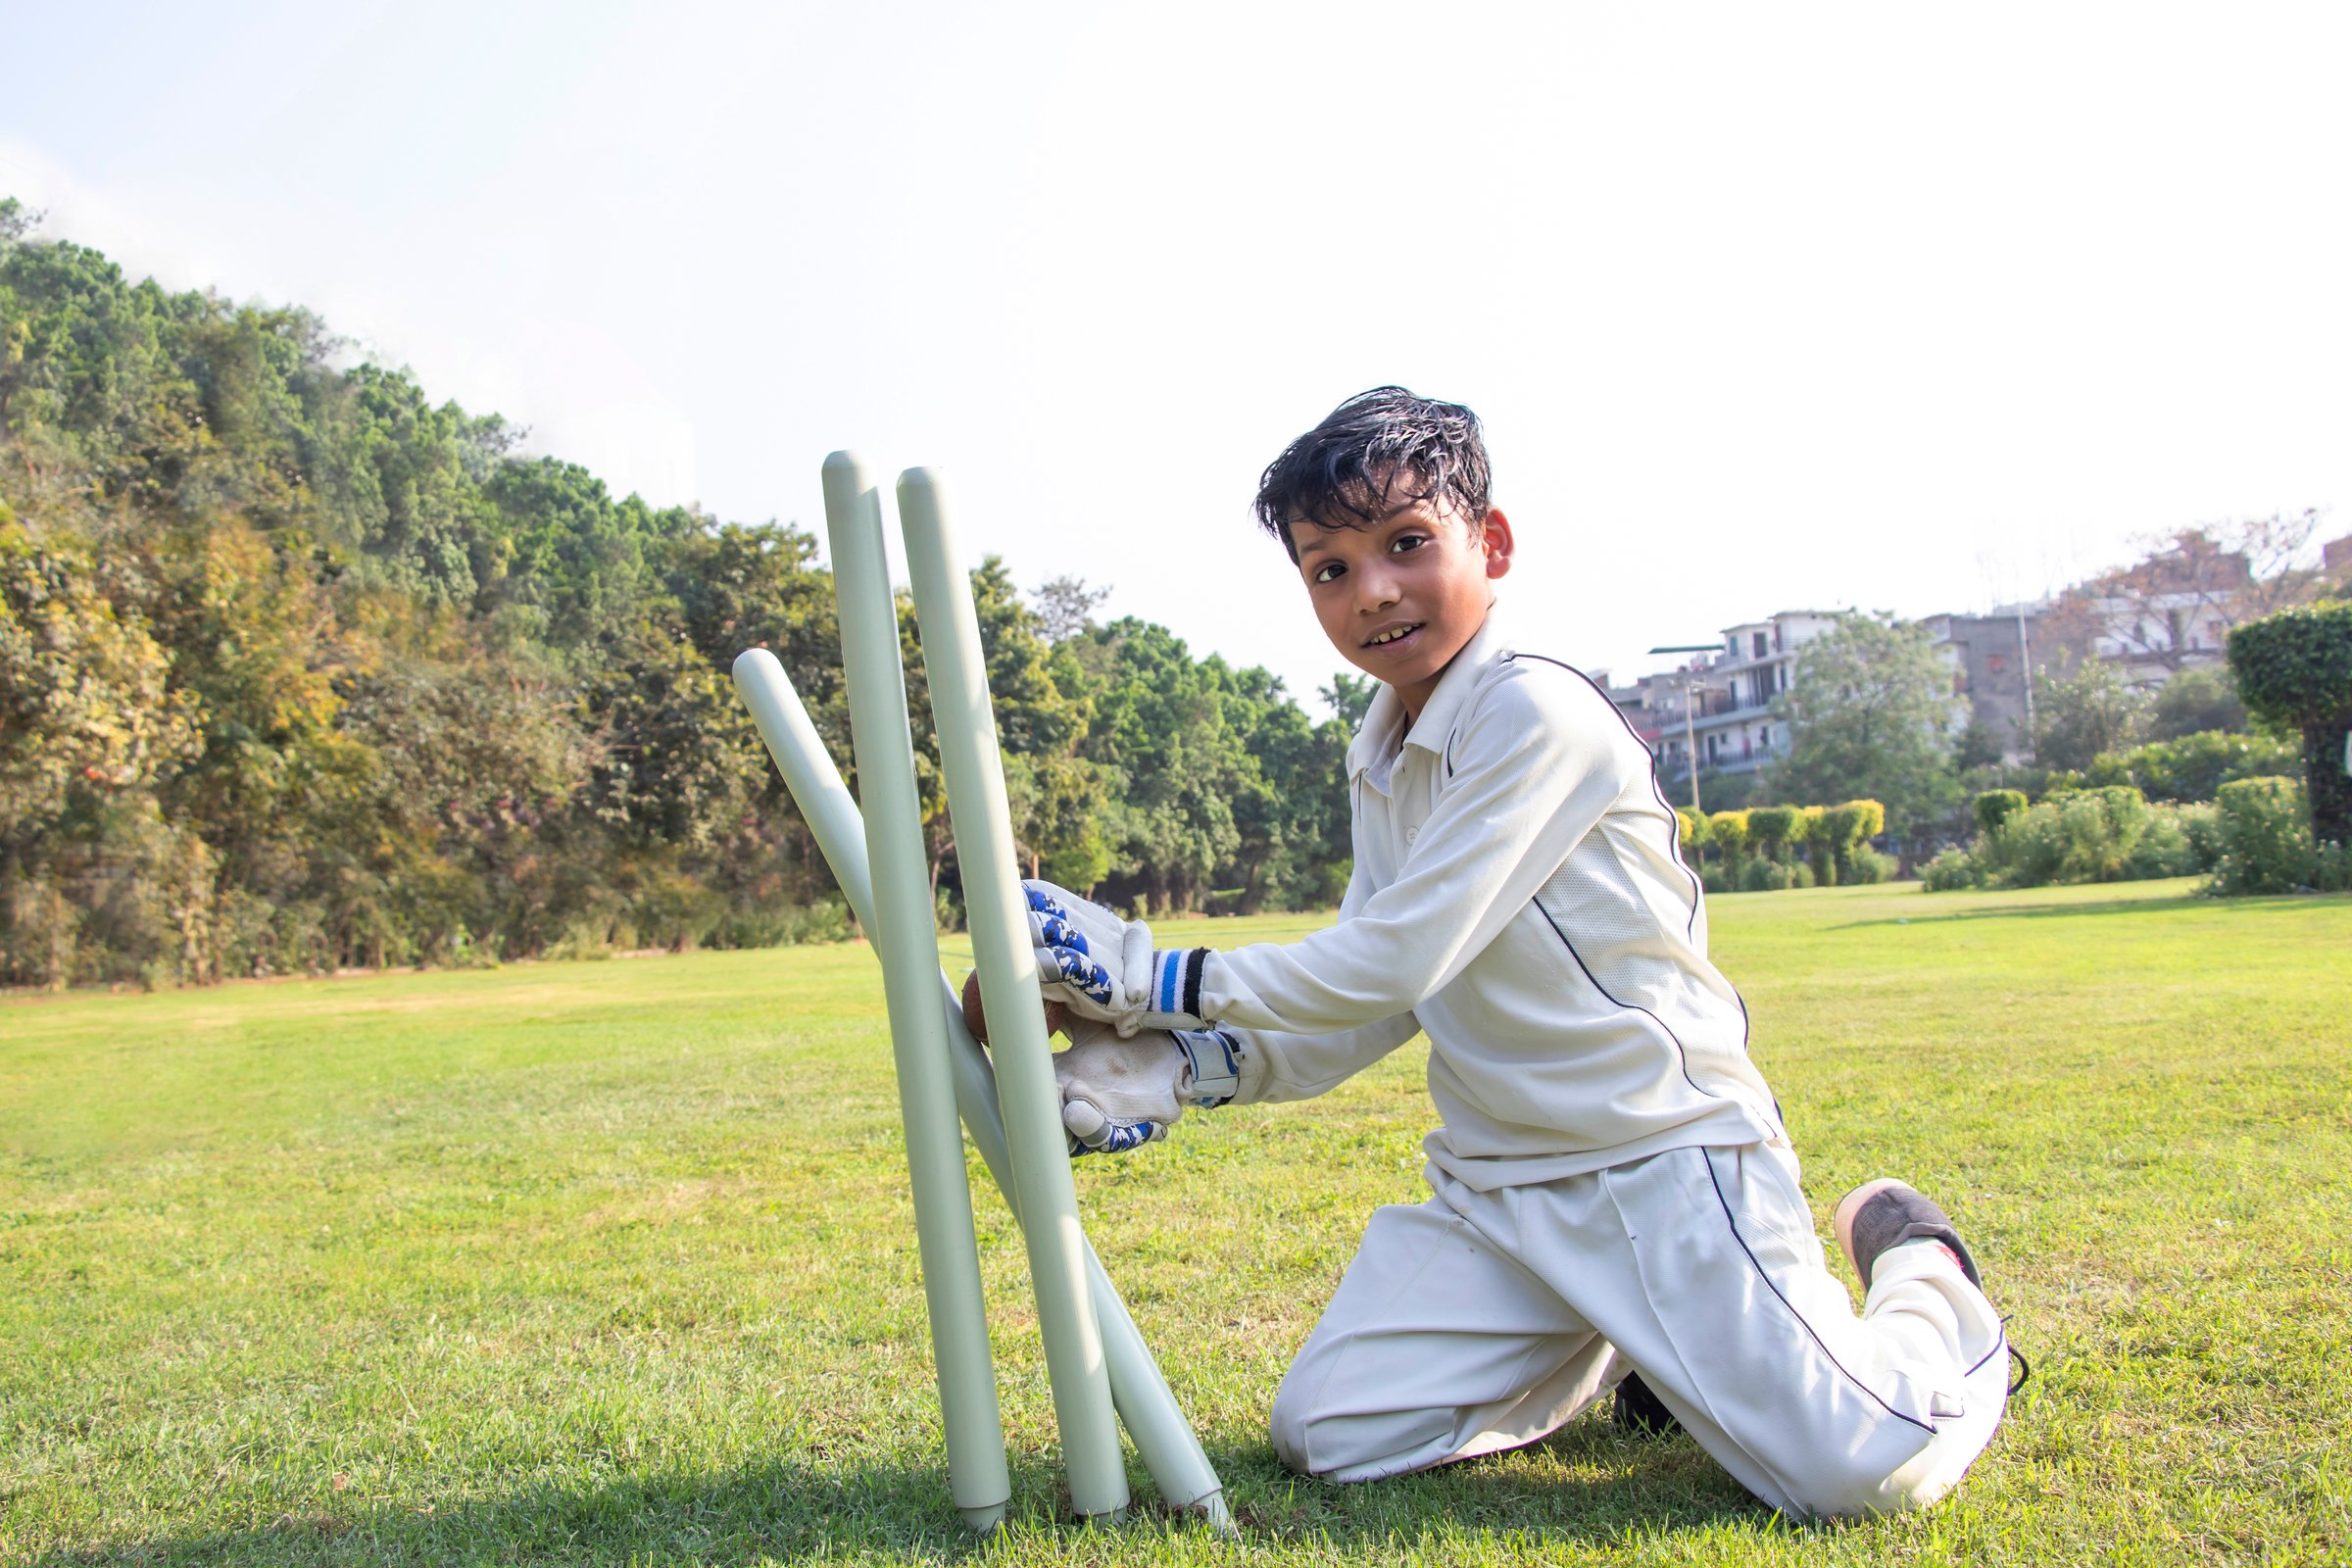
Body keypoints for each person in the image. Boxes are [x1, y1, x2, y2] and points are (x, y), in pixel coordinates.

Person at [1014, 386, 2021, 1517]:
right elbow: (1376, 1006)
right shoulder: (1382, 750)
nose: (1373, 592)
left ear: (1490, 544)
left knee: (1865, 1470)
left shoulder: (1536, 713)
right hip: (1500, 1190)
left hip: (1661, 1160)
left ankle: (1929, 1274)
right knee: (1331, 1431)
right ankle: (1641, 1348)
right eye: (1328, 568)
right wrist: (1183, 1065)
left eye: (1406, 544)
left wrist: (1151, 977)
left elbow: (1391, 959)